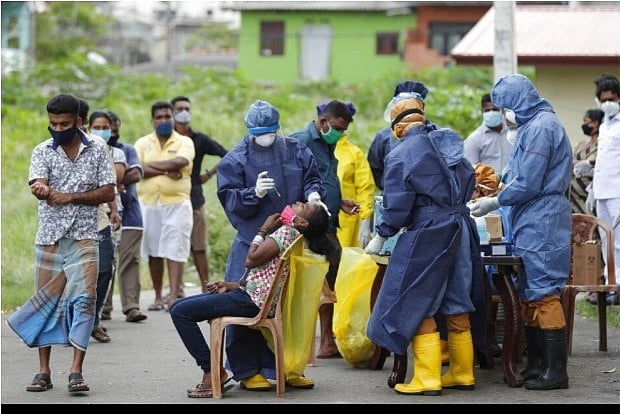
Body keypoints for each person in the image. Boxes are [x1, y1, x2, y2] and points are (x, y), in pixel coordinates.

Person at [364, 97, 481, 396]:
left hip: (429, 232)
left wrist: (382, 234)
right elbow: (470, 179)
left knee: (415, 300)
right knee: (458, 300)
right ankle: (463, 372)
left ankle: (427, 378)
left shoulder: (402, 152)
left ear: (398, 126)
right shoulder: (447, 142)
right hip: (460, 228)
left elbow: (397, 203)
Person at [7, 93, 115, 393]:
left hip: (84, 236)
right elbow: (37, 182)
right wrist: (40, 188)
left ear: (78, 122)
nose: (57, 129)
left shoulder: (97, 149)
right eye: (53, 123)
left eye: (64, 124)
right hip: (50, 237)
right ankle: (43, 371)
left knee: (84, 301)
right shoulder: (41, 151)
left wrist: (70, 198)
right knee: (46, 301)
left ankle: (76, 371)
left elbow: (108, 191)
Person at [470, 74, 572, 390]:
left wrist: (494, 201)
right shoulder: (530, 127)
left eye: (505, 107)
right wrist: (500, 183)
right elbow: (518, 175)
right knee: (529, 292)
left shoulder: (542, 127)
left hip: (543, 217)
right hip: (530, 215)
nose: (503, 115)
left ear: (519, 102)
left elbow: (528, 183)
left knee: (544, 293)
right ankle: (538, 365)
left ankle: (555, 372)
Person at [216, 99, 325, 390]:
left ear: (278, 129)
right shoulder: (235, 160)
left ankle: (288, 365)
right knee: (247, 305)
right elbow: (230, 200)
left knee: (291, 307)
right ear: (250, 131)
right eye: (260, 133)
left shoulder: (294, 149)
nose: (266, 137)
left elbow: (312, 177)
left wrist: (313, 195)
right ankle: (248, 370)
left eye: (270, 132)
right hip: (253, 240)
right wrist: (253, 194)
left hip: (290, 243)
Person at [170, 202, 330, 398]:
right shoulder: (295, 238)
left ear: (303, 222)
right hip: (251, 296)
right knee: (177, 306)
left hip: (250, 301)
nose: (297, 203)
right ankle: (213, 370)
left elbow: (251, 259)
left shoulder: (286, 233)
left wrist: (263, 229)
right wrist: (230, 285)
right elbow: (266, 277)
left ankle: (212, 372)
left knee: (180, 312)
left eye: (303, 206)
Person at [289, 99, 359, 359]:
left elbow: (322, 180)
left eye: (343, 130)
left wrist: (339, 202)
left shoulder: (328, 144)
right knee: (319, 281)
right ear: (322, 121)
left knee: (329, 278)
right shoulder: (301, 142)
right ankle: (319, 341)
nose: (340, 134)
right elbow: (293, 182)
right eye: (337, 128)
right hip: (310, 226)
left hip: (327, 222)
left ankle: (327, 340)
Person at [134, 101, 195, 311]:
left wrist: (151, 168)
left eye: (167, 117)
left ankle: (174, 296)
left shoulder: (185, 141)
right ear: (153, 121)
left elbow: (181, 162)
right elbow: (137, 169)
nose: (163, 121)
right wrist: (168, 170)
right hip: (149, 203)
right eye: (159, 117)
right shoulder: (142, 143)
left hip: (177, 203)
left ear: (173, 118)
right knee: (154, 250)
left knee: (175, 248)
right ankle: (158, 296)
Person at [171, 96, 228, 293]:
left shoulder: (200, 139)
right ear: (172, 112)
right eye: (179, 109)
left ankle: (206, 288)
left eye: (187, 108)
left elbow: (227, 154)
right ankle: (175, 289)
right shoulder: (167, 139)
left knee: (199, 246)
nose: (184, 112)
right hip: (172, 199)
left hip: (195, 197)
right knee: (174, 246)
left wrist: (208, 175)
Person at [102, 110, 149, 322]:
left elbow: (136, 173)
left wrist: (113, 182)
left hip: (130, 214)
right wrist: (115, 182)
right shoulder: (92, 151)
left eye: (112, 126)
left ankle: (131, 307)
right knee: (105, 260)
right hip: (102, 215)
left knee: (129, 260)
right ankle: (103, 307)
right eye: (103, 127)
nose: (110, 130)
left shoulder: (127, 149)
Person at [87, 110, 126, 343]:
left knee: (105, 267)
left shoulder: (100, 147)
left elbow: (109, 183)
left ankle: (93, 319)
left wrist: (114, 210)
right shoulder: (52, 149)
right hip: (69, 220)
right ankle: (75, 321)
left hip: (99, 215)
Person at [583, 74, 620, 306]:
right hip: (602, 191)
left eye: (612, 99)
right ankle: (610, 284)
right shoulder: (605, 125)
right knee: (607, 240)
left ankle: (618, 287)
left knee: (619, 242)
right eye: (603, 99)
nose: (607, 103)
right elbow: (607, 158)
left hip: (618, 191)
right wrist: (592, 182)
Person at [367, 81, 431, 191]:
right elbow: (375, 168)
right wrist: (389, 186)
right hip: (393, 193)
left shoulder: (432, 134)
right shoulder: (383, 137)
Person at [334, 131, 375, 248]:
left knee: (344, 256)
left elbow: (364, 187)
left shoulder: (354, 153)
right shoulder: (312, 149)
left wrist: (365, 218)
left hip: (346, 220)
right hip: (318, 218)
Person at [463, 93, 512, 177]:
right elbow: (470, 170)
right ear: (482, 112)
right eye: (487, 110)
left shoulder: (512, 134)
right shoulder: (474, 139)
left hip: (512, 183)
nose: (491, 113)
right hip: (487, 184)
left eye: (495, 109)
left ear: (502, 111)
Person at [569, 108, 604, 216]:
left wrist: (580, 163)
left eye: (585, 121)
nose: (583, 125)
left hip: (590, 191)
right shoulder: (581, 144)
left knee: (592, 220)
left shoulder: (603, 144)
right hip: (572, 193)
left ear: (595, 123)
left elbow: (595, 164)